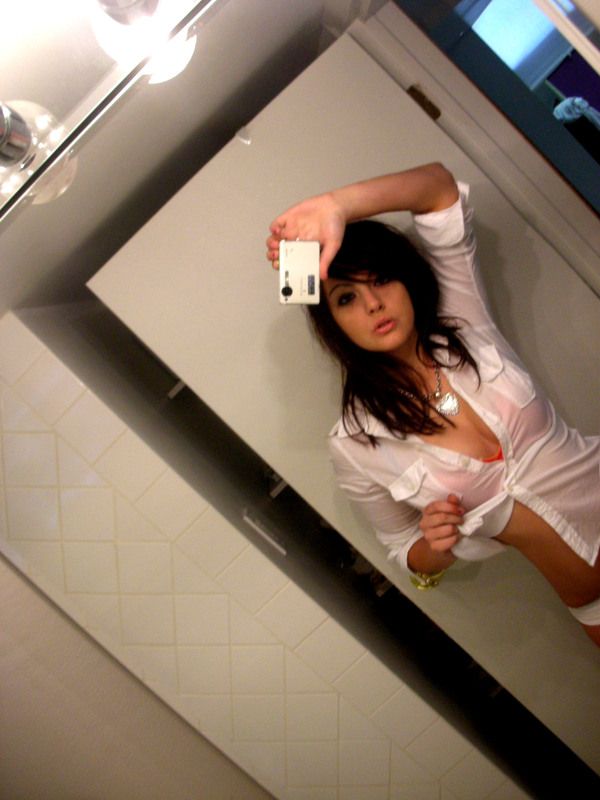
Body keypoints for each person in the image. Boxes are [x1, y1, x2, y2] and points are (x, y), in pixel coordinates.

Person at [266, 162, 600, 646]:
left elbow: (439, 191)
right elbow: (405, 550)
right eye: (346, 298)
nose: (373, 304)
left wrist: (336, 207)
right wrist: (437, 546)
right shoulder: (357, 444)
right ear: (331, 321)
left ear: (405, 280)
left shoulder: (463, 318)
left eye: (382, 279)